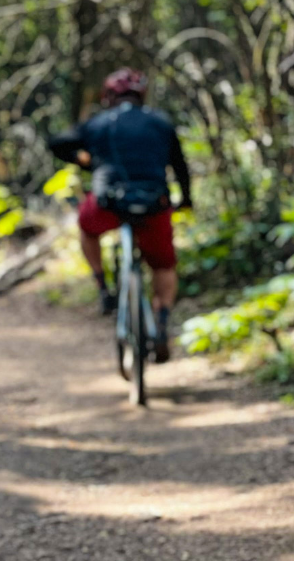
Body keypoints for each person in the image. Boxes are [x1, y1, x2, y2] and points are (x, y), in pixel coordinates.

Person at [49, 68, 192, 363]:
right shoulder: (160, 122)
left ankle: (103, 287)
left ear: (109, 96)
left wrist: (85, 160)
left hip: (107, 205)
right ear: (142, 95)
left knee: (87, 229)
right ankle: (162, 319)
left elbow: (58, 143)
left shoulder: (98, 123)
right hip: (154, 204)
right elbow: (180, 165)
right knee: (164, 265)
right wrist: (186, 199)